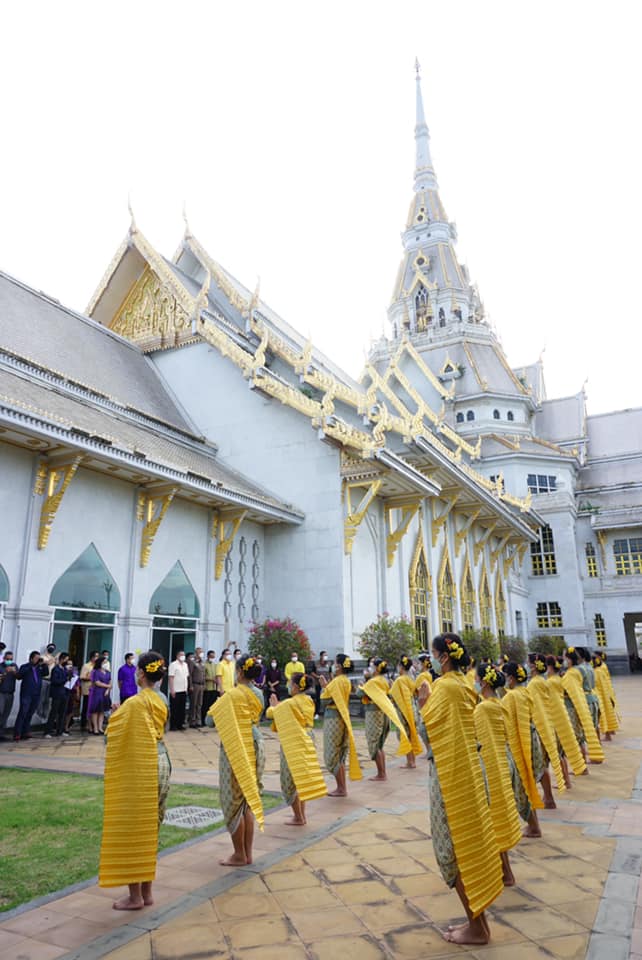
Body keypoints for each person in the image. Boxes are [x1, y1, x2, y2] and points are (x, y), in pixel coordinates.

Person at [417, 633, 503, 945]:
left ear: (443, 656)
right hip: (469, 767)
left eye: (432, 653)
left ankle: (478, 928)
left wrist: (423, 705)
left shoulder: (445, 688)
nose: (430, 659)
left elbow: (429, 733)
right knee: (470, 842)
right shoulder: (465, 684)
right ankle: (477, 922)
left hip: (451, 772)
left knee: (452, 848)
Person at [99, 651, 170, 910]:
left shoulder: (135, 703)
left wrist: (115, 716)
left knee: (134, 826)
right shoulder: (162, 699)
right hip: (162, 761)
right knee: (151, 827)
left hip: (144, 764)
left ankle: (135, 896)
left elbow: (111, 737)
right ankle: (146, 892)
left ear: (140, 673)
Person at [208, 654, 265, 866]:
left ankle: (239, 854)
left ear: (239, 672)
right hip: (256, 742)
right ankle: (247, 853)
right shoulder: (258, 693)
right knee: (247, 799)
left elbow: (209, 720)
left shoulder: (231, 695)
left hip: (236, 744)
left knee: (233, 801)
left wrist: (219, 704)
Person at [473, 663, 522, 886]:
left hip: (493, 764)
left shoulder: (483, 709)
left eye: (476, 679)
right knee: (499, 814)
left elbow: (482, 741)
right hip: (504, 760)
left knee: (494, 816)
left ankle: (505, 872)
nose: (474, 682)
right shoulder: (498, 703)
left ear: (483, 682)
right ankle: (502, 869)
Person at [267, 672, 327, 824]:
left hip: (294, 739)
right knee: (301, 777)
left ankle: (299, 816)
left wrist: (274, 706)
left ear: (294, 686)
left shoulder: (290, 703)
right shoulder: (309, 700)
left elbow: (270, 713)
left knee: (290, 778)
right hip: (308, 737)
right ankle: (300, 815)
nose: (288, 686)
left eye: (290, 683)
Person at [502, 661, 553, 810]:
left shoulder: (511, 696)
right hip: (532, 733)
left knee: (523, 771)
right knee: (540, 767)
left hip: (521, 736)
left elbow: (507, 720)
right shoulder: (525, 691)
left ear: (511, 678)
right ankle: (549, 797)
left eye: (506, 676)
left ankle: (535, 804)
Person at [360, 659, 411, 781]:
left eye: (372, 666)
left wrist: (364, 682)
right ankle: (382, 772)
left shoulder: (372, 682)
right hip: (383, 713)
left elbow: (359, 693)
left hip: (374, 714)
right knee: (379, 744)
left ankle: (381, 774)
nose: (369, 668)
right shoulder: (385, 680)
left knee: (374, 743)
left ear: (377, 669)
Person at [319, 653, 362, 796]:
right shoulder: (346, 681)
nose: (333, 665)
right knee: (340, 753)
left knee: (332, 754)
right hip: (343, 718)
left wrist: (324, 687)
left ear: (338, 666)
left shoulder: (336, 682)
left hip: (333, 719)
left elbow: (324, 700)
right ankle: (342, 787)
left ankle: (341, 788)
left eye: (335, 663)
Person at [526, 653, 567, 795]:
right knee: (554, 756)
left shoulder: (534, 684)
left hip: (540, 724)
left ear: (533, 666)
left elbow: (534, 706)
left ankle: (549, 797)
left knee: (542, 763)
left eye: (528, 663)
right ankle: (562, 784)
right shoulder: (542, 681)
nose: (527, 665)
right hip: (548, 722)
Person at [544, 656, 587, 778]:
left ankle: (567, 779)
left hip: (559, 715)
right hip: (564, 712)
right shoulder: (559, 678)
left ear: (549, 667)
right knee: (572, 743)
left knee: (561, 750)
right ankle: (579, 769)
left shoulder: (550, 682)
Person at [562, 647, 605, 763]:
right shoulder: (588, 667)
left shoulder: (577, 670)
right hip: (592, 697)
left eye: (564, 656)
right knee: (592, 728)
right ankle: (596, 752)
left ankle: (585, 759)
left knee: (580, 734)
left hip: (584, 700)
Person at [390, 655, 424, 769]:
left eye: (398, 665)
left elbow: (393, 695)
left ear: (401, 666)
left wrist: (391, 686)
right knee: (411, 735)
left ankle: (410, 762)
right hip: (412, 709)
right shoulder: (410, 679)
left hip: (403, 711)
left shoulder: (400, 680)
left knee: (405, 736)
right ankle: (411, 761)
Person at [14, 651, 49, 741]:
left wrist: (44, 664)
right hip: (26, 693)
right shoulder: (25, 667)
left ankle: (25, 732)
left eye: (38, 658)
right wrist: (31, 665)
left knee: (30, 713)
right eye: (36, 658)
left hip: (36, 694)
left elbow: (46, 673)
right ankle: (17, 733)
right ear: (31, 658)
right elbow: (19, 676)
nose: (38, 660)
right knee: (23, 712)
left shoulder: (39, 668)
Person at [44, 652, 73, 738]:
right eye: (66, 660)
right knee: (54, 712)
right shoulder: (56, 669)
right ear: (61, 659)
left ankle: (60, 730)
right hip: (57, 693)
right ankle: (48, 731)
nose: (67, 662)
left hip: (65, 693)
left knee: (62, 713)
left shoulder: (64, 669)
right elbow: (55, 681)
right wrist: (65, 679)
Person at [593, 652, 618, 739]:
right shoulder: (599, 670)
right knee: (607, 712)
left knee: (602, 715)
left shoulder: (598, 671)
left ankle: (608, 733)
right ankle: (610, 731)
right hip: (604, 693)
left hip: (601, 694)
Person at [88, 654, 112, 734]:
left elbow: (110, 682)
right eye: (104, 662)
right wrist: (107, 686)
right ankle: (95, 728)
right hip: (97, 692)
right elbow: (97, 682)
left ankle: (100, 727)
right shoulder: (95, 672)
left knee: (102, 711)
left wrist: (108, 689)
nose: (106, 664)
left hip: (105, 693)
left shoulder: (108, 672)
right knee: (95, 710)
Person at [168, 650, 189, 730]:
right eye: (181, 655)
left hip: (183, 689)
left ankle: (180, 724)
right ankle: (173, 725)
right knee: (174, 708)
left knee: (182, 708)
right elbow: (171, 677)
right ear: (177, 656)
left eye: (184, 655)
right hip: (176, 690)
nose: (183, 656)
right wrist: (172, 689)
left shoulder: (185, 665)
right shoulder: (173, 665)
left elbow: (186, 677)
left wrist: (186, 688)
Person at [0, 649, 18, 741]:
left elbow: (18, 677)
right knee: (0, 712)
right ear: (4, 658)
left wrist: (15, 672)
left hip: (10, 693)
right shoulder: (0, 666)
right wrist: (5, 672)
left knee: (6, 714)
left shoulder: (14, 666)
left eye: (11, 659)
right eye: (7, 659)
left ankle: (1, 734)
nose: (9, 661)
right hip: (1, 693)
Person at [80, 650, 99, 730]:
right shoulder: (86, 666)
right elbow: (82, 677)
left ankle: (92, 724)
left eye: (98, 656)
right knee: (86, 707)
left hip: (95, 689)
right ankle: (83, 724)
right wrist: (91, 678)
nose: (97, 658)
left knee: (93, 707)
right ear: (92, 657)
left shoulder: (97, 666)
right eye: (95, 656)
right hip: (87, 689)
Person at [188, 650, 205, 727]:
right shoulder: (192, 662)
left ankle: (198, 721)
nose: (201, 654)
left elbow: (203, 674)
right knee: (193, 703)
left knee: (199, 704)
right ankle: (192, 721)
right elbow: (190, 674)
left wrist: (204, 684)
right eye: (200, 652)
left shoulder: (202, 663)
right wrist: (190, 685)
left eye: (202, 652)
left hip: (201, 685)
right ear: (196, 653)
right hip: (195, 684)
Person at [202, 650, 218, 722]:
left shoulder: (215, 665)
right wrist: (211, 679)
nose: (212, 658)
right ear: (208, 656)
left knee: (212, 705)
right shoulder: (204, 664)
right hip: (207, 688)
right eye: (211, 656)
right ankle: (203, 720)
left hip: (214, 688)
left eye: (213, 656)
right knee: (205, 705)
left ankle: (210, 721)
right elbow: (203, 676)